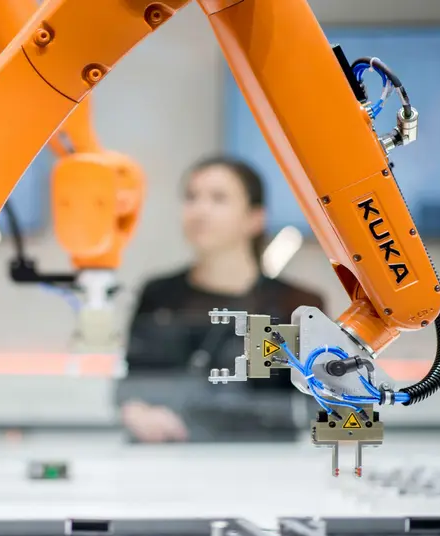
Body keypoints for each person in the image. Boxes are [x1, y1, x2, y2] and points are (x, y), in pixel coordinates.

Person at [118, 156, 325, 443]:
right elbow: (132, 383)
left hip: (264, 459)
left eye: (219, 199)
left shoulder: (295, 306)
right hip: (167, 455)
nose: (200, 210)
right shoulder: (157, 295)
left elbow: (315, 404)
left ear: (255, 218)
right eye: (191, 197)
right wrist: (135, 411)